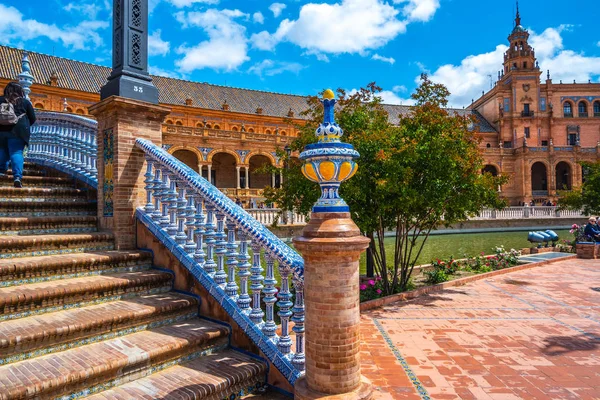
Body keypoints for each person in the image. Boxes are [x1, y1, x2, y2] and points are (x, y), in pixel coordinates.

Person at [0, 82, 36, 188]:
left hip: (1, 131)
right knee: (16, 152)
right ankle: (17, 177)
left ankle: (1, 171)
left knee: (2, 150)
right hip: (18, 131)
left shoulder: (0, 100)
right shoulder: (24, 102)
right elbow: (33, 118)